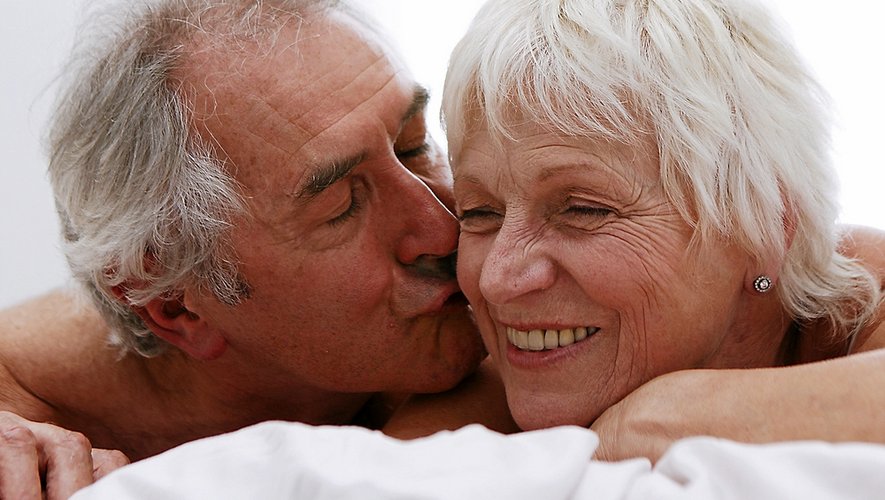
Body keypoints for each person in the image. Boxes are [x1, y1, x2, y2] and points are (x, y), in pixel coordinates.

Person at [0, 0, 514, 497]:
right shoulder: (23, 430)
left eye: (415, 145)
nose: (443, 227)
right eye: (341, 206)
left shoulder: (501, 312)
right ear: (175, 305)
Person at [416, 0, 885, 461]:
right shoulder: (495, 367)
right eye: (479, 213)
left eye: (582, 210)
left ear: (765, 232)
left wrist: (668, 418)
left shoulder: (869, 305)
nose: (497, 281)